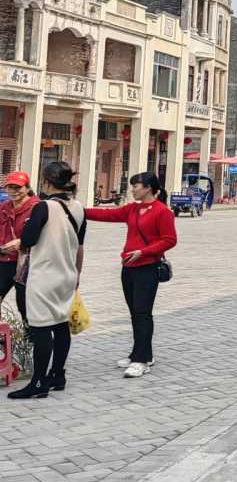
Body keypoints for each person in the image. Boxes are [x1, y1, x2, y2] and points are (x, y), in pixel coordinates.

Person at [85, 171, 177, 379]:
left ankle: (141, 361)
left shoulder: (162, 211)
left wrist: (143, 252)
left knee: (143, 313)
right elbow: (107, 215)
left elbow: (169, 240)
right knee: (135, 313)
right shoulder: (133, 209)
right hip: (128, 267)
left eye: (136, 186)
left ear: (148, 188)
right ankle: (140, 352)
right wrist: (77, 211)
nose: (133, 189)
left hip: (147, 267)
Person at [5, 162, 85, 399]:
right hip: (67, 274)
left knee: (41, 328)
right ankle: (57, 374)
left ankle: (39, 381)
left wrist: (17, 241)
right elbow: (80, 245)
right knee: (60, 324)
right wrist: (77, 274)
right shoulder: (79, 207)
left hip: (43, 275)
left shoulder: (44, 207)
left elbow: (28, 240)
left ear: (46, 182)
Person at [0, 172, 40, 322]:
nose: (13, 191)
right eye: (10, 187)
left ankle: (31, 338)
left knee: (24, 305)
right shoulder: (4, 207)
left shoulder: (37, 207)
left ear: (27, 188)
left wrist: (20, 242)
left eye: (18, 187)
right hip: (5, 260)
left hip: (27, 263)